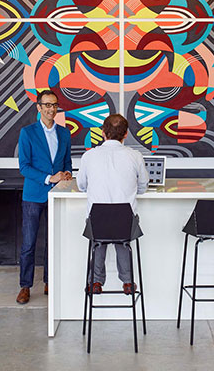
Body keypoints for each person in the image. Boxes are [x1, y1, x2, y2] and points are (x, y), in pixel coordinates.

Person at [76, 113, 148, 295]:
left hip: (97, 221)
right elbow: (143, 186)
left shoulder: (89, 156)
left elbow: (82, 186)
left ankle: (95, 282)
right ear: (126, 134)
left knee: (98, 239)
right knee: (123, 239)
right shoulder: (135, 156)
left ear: (103, 133)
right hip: (125, 223)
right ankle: (128, 282)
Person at [16, 89, 73, 304]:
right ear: (39, 107)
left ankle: (49, 280)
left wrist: (67, 174)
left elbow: (67, 162)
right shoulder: (27, 132)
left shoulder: (64, 133)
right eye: (47, 105)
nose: (51, 109)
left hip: (57, 194)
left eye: (54, 105)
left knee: (53, 241)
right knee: (29, 243)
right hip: (33, 195)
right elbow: (24, 167)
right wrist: (50, 177)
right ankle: (25, 286)